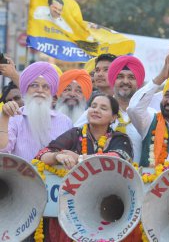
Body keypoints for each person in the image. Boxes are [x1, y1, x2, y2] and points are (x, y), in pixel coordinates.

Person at [36, 93, 133, 242]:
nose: (96, 110)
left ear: (114, 117)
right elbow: (42, 154)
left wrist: (79, 159)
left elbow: (119, 158)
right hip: (73, 211)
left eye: (103, 108)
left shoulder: (119, 139)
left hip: (106, 210)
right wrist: (57, 156)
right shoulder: (74, 134)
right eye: (93, 106)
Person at [75, 55, 146, 164]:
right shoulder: (96, 111)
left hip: (141, 178)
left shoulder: (149, 114)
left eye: (131, 77)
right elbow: (75, 134)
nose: (125, 81)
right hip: (103, 175)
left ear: (139, 83)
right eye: (120, 76)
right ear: (113, 80)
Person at [0, 62, 72, 162]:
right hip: (20, 176)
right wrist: (4, 117)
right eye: (34, 85)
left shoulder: (65, 121)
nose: (40, 90)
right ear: (25, 89)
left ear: (51, 93)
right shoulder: (14, 118)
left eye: (46, 87)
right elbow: (2, 151)